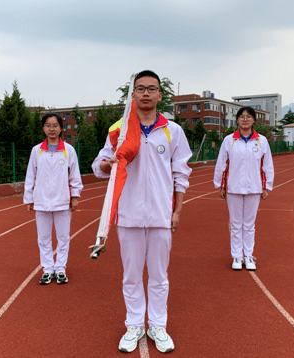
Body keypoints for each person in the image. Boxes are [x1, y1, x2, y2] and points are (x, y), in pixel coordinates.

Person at [92, 70, 192, 353]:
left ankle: (157, 325)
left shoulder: (173, 131)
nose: (146, 93)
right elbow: (98, 166)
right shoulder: (119, 130)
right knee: (132, 275)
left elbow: (181, 171)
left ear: (160, 95)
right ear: (132, 94)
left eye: (151, 89)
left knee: (160, 276)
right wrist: (106, 165)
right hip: (129, 215)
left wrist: (177, 210)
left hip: (161, 214)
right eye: (140, 88)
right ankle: (134, 324)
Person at [24, 113, 83, 285]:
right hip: (41, 201)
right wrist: (29, 197)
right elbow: (30, 175)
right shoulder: (37, 151)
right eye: (48, 125)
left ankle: (61, 268)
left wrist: (75, 196)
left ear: (61, 128)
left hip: (62, 201)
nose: (52, 129)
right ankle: (48, 269)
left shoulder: (68, 150)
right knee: (43, 238)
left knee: (63, 237)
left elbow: (75, 176)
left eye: (55, 125)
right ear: (43, 128)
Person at [213, 106, 274, 271]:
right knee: (235, 223)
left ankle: (248, 256)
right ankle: (236, 257)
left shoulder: (261, 141)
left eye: (248, 116)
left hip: (254, 188)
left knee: (249, 224)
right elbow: (222, 164)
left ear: (254, 120)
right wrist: (221, 185)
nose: (245, 119)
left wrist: (266, 187)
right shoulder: (229, 140)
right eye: (242, 116)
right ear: (237, 120)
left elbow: (266, 165)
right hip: (233, 188)